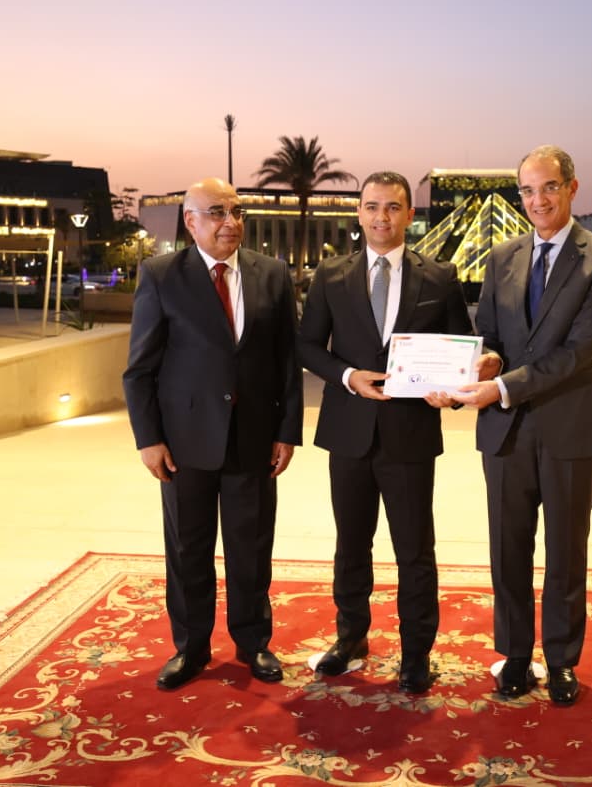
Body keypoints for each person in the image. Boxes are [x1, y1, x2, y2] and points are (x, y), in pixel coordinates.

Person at [453, 145, 592, 705]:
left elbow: (579, 351)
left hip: (573, 426)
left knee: (566, 550)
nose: (538, 200)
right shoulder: (502, 256)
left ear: (572, 187)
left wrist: (502, 386)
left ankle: (561, 660)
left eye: (549, 187)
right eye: (527, 190)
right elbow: (491, 335)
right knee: (507, 548)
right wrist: (487, 362)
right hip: (506, 429)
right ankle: (514, 655)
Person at [297, 171, 474, 695]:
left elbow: (461, 348)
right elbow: (307, 346)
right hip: (348, 433)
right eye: (372, 206)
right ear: (359, 212)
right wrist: (348, 376)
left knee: (414, 551)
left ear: (409, 215)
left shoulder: (440, 277)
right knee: (351, 545)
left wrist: (452, 390)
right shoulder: (330, 275)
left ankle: (417, 653)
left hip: (410, 434)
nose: (382, 217)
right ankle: (350, 637)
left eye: (393, 207)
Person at [123, 177, 303, 689]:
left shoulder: (272, 274)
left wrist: (287, 431)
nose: (231, 222)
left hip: (254, 440)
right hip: (183, 445)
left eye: (237, 211)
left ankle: (253, 642)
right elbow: (139, 369)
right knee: (188, 551)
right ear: (191, 222)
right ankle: (191, 647)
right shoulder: (161, 275)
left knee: (252, 549)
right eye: (218, 212)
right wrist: (148, 439)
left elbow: (287, 362)